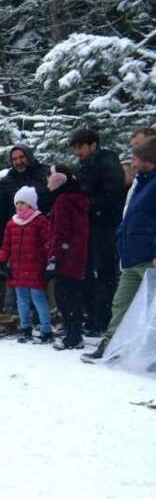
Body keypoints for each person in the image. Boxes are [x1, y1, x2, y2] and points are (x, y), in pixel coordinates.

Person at [84, 136, 156, 361]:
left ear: (149, 160)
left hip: (150, 258)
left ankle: (150, 356)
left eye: (135, 158)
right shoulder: (141, 184)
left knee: (151, 311)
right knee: (120, 304)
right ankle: (110, 347)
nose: (132, 163)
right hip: (131, 256)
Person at [71, 128, 127, 337]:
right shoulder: (84, 165)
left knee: (104, 273)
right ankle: (92, 316)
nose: (77, 152)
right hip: (90, 225)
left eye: (80, 147)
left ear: (93, 145)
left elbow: (114, 196)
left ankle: (103, 320)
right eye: (75, 148)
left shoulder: (106, 162)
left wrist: (87, 203)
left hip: (106, 225)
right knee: (88, 272)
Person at [0, 186, 54, 344]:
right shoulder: (12, 223)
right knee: (21, 299)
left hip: (35, 267)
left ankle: (46, 329)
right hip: (17, 268)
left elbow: (48, 243)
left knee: (38, 299)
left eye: (23, 202)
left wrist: (50, 261)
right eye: (17, 203)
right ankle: (25, 327)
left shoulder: (40, 221)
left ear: (31, 203)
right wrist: (2, 260)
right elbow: (6, 245)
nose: (19, 206)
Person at [43, 165, 91, 350]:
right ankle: (74, 332)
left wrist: (54, 257)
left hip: (65, 256)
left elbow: (60, 232)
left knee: (64, 296)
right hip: (78, 254)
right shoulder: (78, 199)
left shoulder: (62, 201)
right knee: (74, 295)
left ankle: (72, 336)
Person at [0, 145, 51, 248]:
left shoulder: (46, 173)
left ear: (29, 156)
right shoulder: (7, 181)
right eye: (14, 159)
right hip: (18, 235)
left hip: (44, 233)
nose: (18, 162)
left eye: (21, 157)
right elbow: (0, 212)